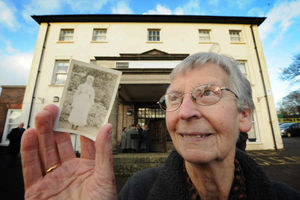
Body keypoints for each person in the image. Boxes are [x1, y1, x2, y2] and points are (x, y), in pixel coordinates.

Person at [20, 52, 300, 200]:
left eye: (208, 92)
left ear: (244, 116)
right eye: (174, 98)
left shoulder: (287, 197)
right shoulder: (137, 191)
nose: (185, 112)